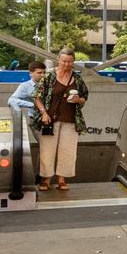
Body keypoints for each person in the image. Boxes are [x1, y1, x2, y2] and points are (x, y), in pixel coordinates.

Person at [37, 50, 88, 192]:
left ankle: (62, 179)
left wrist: (78, 100)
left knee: (68, 151)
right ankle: (46, 178)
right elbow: (37, 96)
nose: (66, 64)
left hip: (70, 120)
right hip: (50, 120)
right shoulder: (49, 76)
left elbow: (85, 96)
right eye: (64, 61)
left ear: (73, 62)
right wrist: (43, 113)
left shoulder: (77, 78)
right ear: (58, 60)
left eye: (69, 62)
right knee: (47, 150)